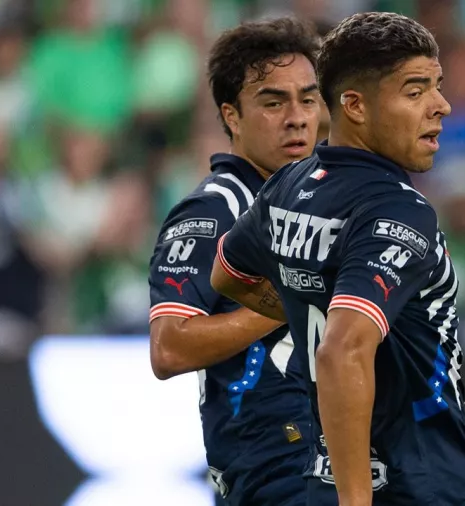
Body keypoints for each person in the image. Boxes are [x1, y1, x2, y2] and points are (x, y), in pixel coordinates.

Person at [211, 12, 465, 506]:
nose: (441, 106)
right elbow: (341, 352)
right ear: (353, 105)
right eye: (415, 91)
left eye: (437, 86)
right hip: (429, 485)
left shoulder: (290, 185)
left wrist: (303, 304)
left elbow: (227, 274)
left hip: (324, 480)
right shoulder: (397, 209)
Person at [146, 18, 322, 506]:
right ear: (232, 116)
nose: (297, 116)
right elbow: (169, 347)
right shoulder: (214, 209)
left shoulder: (324, 201)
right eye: (273, 102)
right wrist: (288, 298)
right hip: (277, 466)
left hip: (339, 458)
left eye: (308, 99)